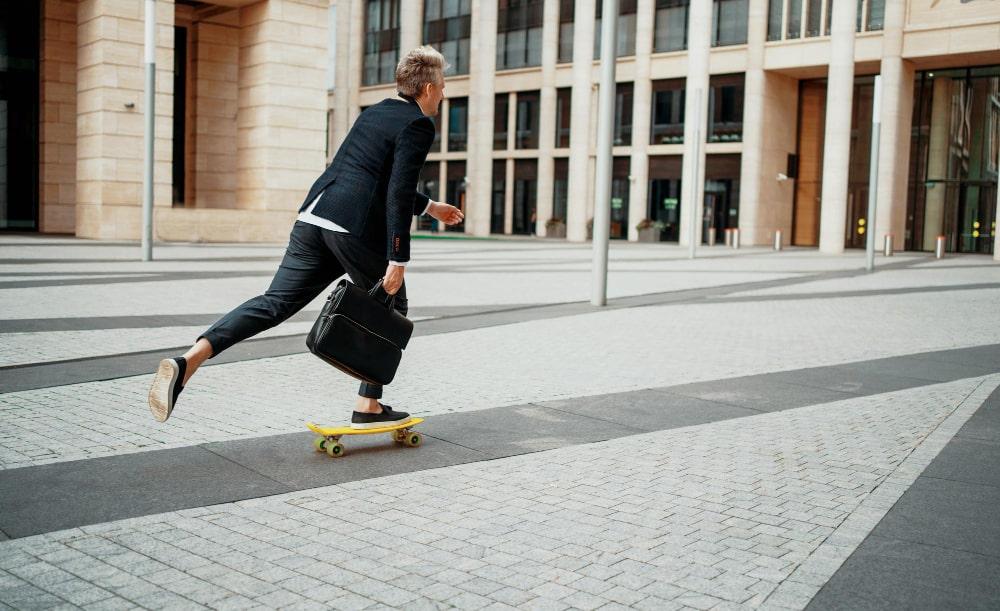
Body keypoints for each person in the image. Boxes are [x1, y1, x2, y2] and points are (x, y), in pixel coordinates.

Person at [148, 46, 463, 429]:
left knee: (274, 303)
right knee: (391, 308)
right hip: (353, 229)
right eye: (443, 87)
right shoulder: (418, 125)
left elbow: (367, 177)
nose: (444, 95)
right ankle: (368, 406)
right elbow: (396, 190)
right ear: (428, 88)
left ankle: (189, 361)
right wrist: (398, 259)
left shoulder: (375, 113)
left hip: (315, 217)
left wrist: (431, 207)